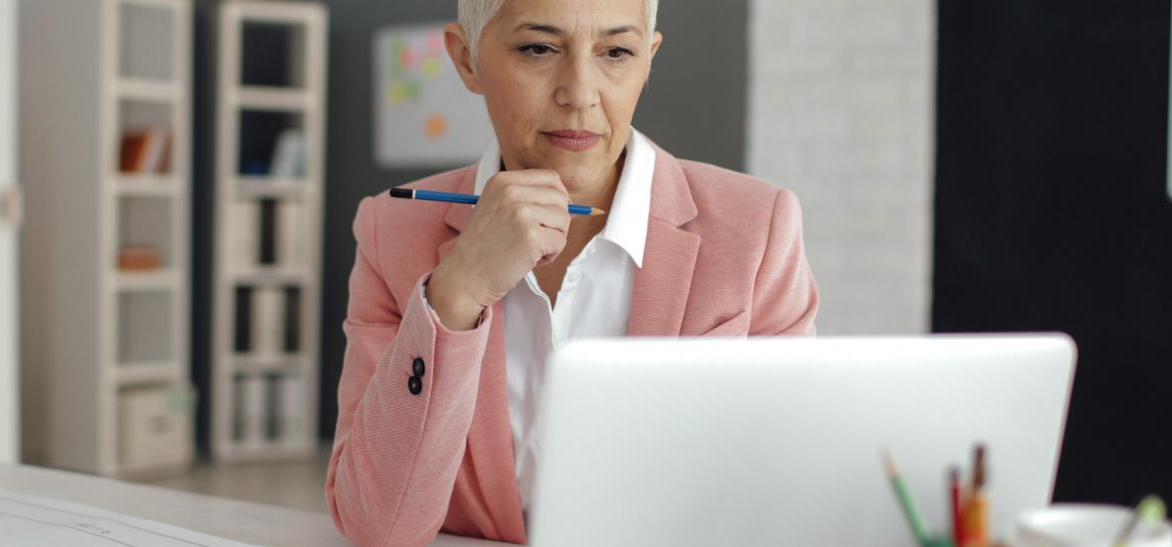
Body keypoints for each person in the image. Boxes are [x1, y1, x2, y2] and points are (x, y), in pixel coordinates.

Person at [326, 0, 819, 544]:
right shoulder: (391, 231)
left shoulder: (757, 229)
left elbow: (789, 497)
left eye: (616, 52)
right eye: (538, 48)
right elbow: (378, 526)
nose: (580, 93)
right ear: (466, 61)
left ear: (647, 61)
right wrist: (456, 292)